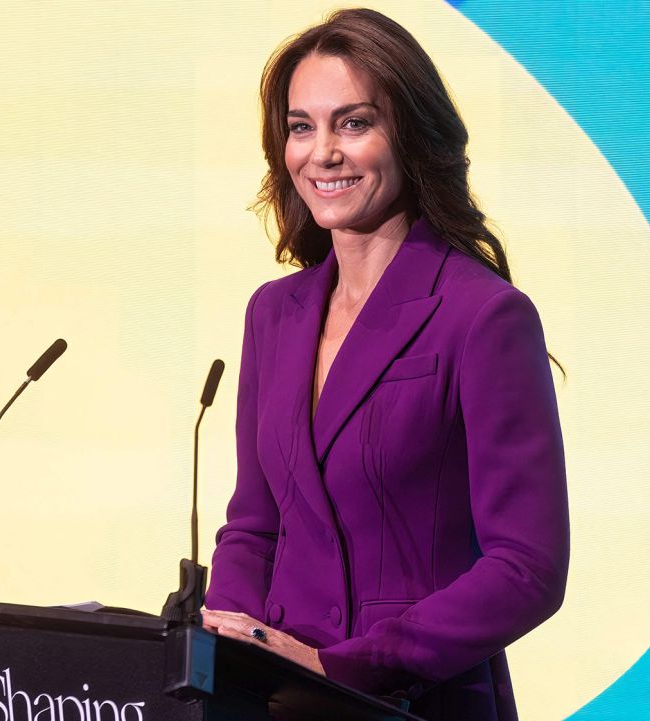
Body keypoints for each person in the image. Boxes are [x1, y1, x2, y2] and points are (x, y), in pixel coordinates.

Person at [201, 9, 569, 720]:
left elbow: (527, 568)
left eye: (354, 122)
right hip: (275, 702)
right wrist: (232, 640)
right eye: (301, 127)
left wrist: (345, 666)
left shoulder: (484, 315)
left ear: (409, 133)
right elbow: (255, 524)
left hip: (416, 702)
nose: (322, 153)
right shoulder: (273, 314)